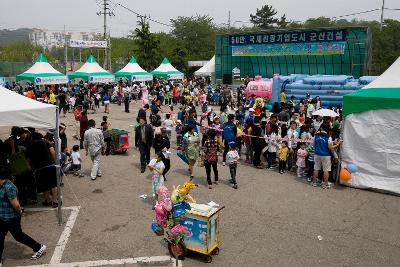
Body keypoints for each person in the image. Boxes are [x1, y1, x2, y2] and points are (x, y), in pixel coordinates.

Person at [0, 166, 47, 264]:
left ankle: (39, 247)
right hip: (2, 216)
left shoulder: (9, 187)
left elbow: (16, 204)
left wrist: (20, 211)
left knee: (18, 236)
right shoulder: (1, 185)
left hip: (12, 217)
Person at [312, 124, 341, 189]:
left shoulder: (315, 136)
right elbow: (330, 147)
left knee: (316, 168)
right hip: (326, 155)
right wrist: (338, 144)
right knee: (326, 170)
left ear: (321, 128)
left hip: (317, 154)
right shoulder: (328, 137)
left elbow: (313, 144)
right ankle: (325, 184)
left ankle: (314, 182)